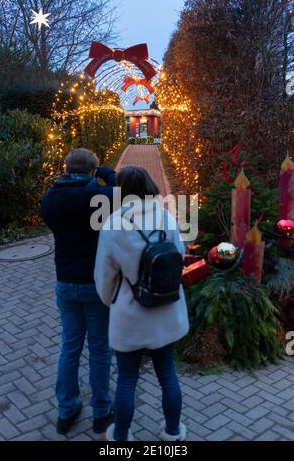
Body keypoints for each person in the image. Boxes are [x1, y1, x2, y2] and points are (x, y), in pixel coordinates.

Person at [94, 166, 189, 442]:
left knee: (126, 380)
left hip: (131, 315)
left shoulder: (112, 225)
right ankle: (173, 433)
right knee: (168, 375)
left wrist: (110, 301)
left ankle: (121, 437)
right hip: (168, 309)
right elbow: (179, 256)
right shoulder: (165, 217)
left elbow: (104, 278)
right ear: (149, 186)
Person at [41, 148, 115, 436]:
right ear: (92, 171)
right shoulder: (98, 198)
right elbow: (121, 188)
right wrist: (105, 173)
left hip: (65, 284)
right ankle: (101, 411)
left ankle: (66, 409)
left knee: (69, 347)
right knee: (99, 349)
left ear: (66, 168)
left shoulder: (50, 199)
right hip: (95, 284)